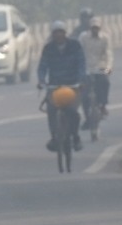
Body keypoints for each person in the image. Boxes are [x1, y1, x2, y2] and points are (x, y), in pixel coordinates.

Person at [37, 20, 86, 152]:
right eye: (56, 33)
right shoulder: (48, 48)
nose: (58, 35)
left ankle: (75, 137)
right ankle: (54, 137)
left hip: (72, 85)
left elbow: (81, 64)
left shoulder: (75, 46)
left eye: (61, 32)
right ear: (53, 35)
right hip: (54, 86)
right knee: (52, 112)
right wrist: (41, 81)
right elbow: (42, 66)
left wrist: (81, 80)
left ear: (65, 33)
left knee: (73, 112)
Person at [78, 16, 113, 129]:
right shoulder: (83, 37)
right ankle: (88, 118)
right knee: (84, 95)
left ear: (100, 28)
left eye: (97, 28)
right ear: (90, 28)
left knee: (105, 82)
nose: (95, 30)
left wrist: (108, 69)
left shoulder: (105, 38)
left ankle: (103, 105)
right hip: (86, 68)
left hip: (100, 67)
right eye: (93, 28)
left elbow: (108, 55)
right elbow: (79, 52)